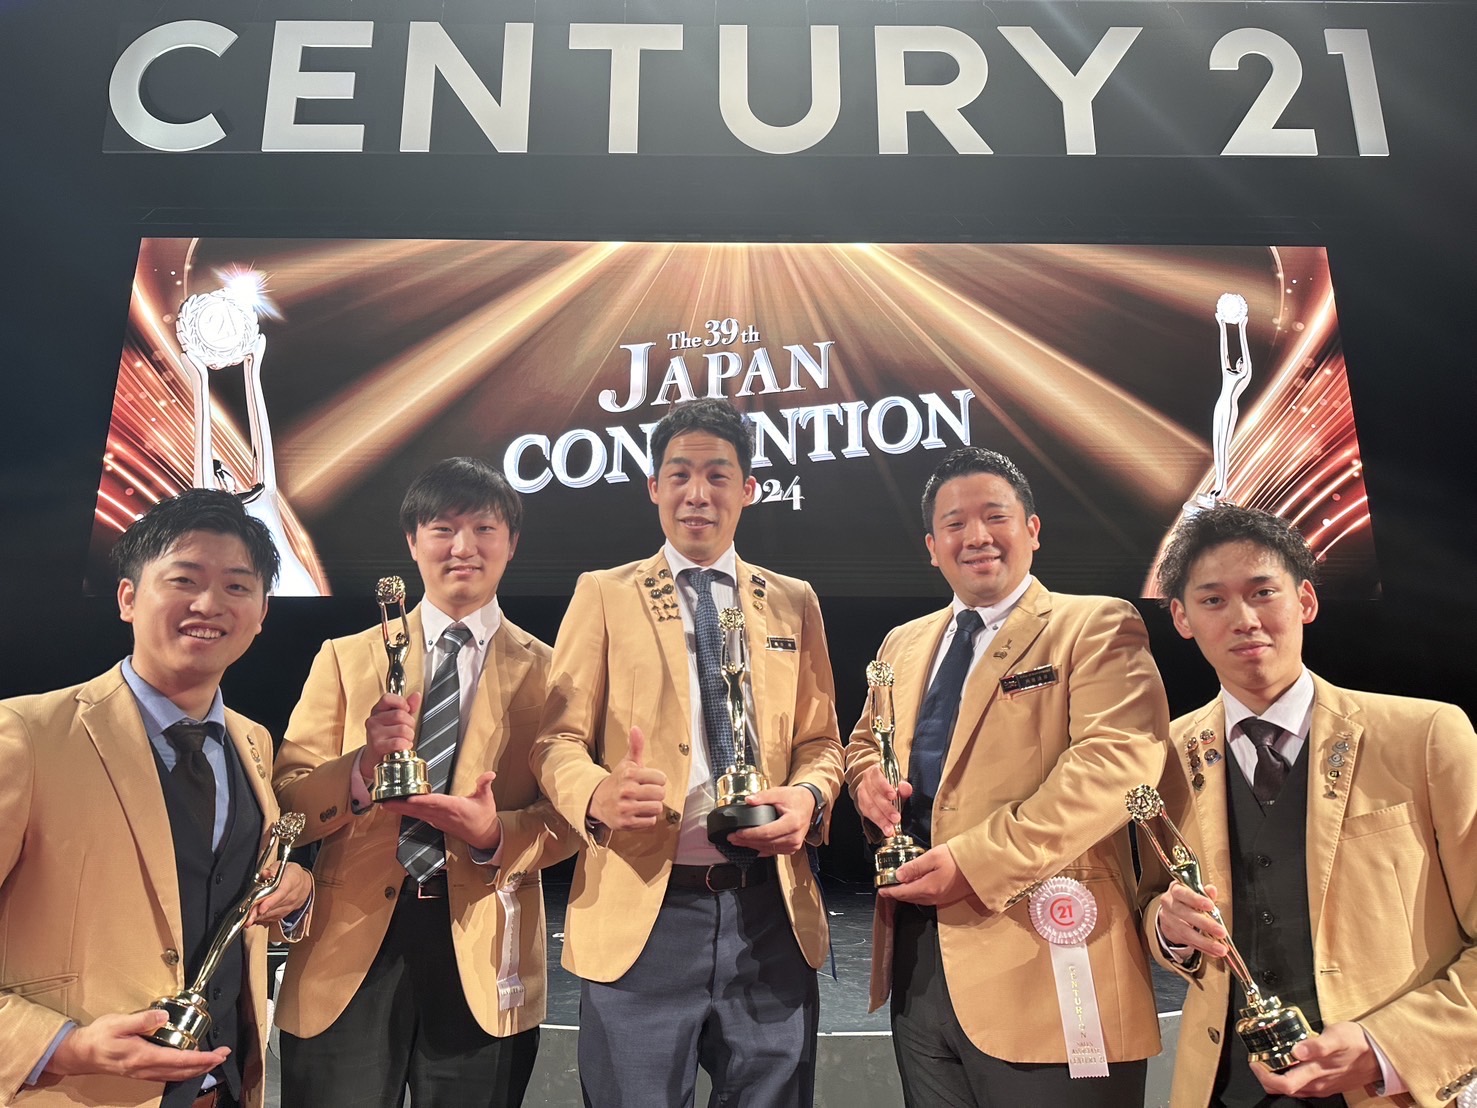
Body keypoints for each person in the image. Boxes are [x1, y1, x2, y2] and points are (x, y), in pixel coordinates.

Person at [532, 398, 843, 1108]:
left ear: (748, 489)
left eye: (716, 475)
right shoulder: (603, 594)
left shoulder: (793, 600)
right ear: (653, 487)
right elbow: (555, 740)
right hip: (644, 913)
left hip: (769, 913)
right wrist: (594, 792)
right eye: (679, 475)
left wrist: (808, 796)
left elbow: (821, 743)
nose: (696, 493)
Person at [845, 446, 1168, 1107]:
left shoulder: (1095, 624)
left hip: (1048, 960)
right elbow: (864, 742)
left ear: (1032, 529)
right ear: (932, 547)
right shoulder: (902, 643)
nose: (976, 536)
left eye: (995, 516)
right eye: (954, 524)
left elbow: (1115, 764)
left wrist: (976, 862)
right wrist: (865, 781)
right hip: (918, 963)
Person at [1139, 504, 1477, 1108]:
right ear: (1182, 618)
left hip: (1384, 1088)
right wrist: (1168, 930)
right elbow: (1146, 905)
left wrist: (1389, 1047)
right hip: (1222, 1089)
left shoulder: (1425, 736)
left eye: (1263, 592)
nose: (1244, 619)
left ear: (1306, 601)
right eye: (1213, 600)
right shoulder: (1159, 758)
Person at [272, 457, 578, 1107]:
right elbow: (288, 796)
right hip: (346, 948)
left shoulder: (555, 674)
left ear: (511, 543)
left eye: (483, 529)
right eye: (442, 529)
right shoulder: (346, 658)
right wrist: (360, 769)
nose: (462, 547)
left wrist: (496, 833)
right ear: (412, 542)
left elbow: (572, 817)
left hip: (484, 946)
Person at [0, 489, 312, 1108]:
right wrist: (61, 1045)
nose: (209, 604)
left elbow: (222, 888)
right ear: (127, 598)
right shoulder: (27, 734)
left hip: (226, 1087)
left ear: (261, 612)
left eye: (236, 586)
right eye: (184, 580)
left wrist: (293, 889)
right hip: (77, 1091)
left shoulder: (252, 741)